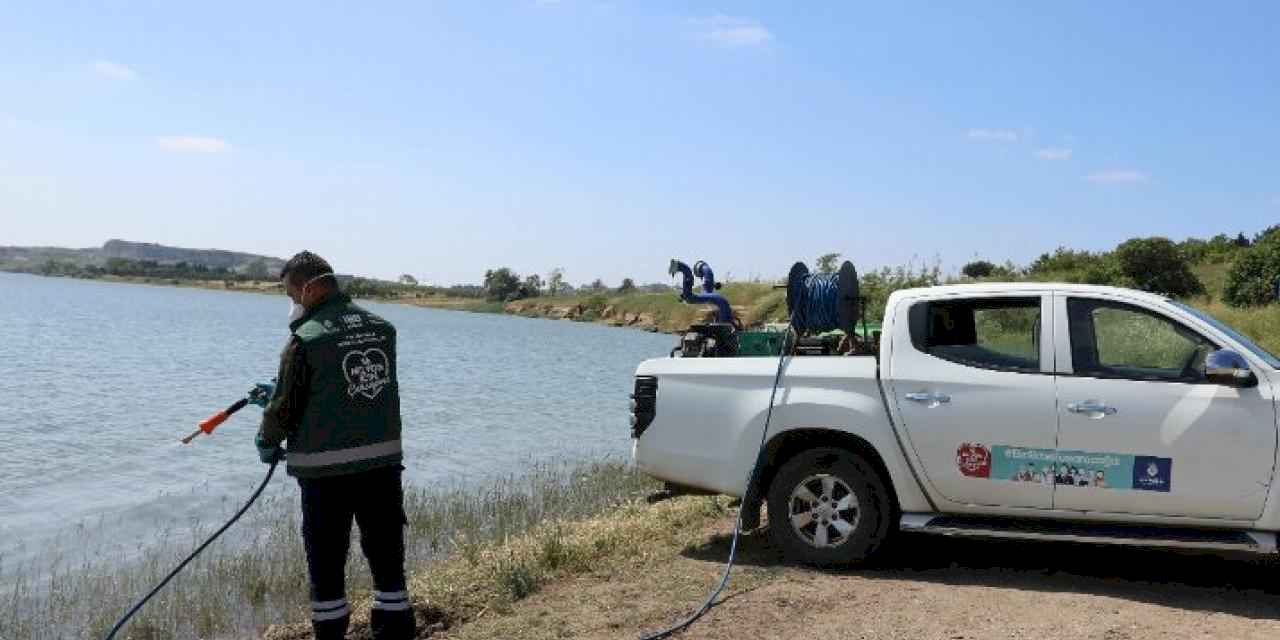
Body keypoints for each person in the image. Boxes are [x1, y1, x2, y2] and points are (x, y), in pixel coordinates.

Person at [252, 251, 415, 639]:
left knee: (326, 565)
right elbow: (354, 383)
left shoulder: (305, 339)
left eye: (291, 293)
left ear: (310, 288)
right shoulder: (381, 329)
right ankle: (396, 631)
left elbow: (283, 409)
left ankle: (329, 633)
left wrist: (266, 440)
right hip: (382, 468)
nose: (292, 302)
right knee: (387, 559)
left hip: (326, 476)